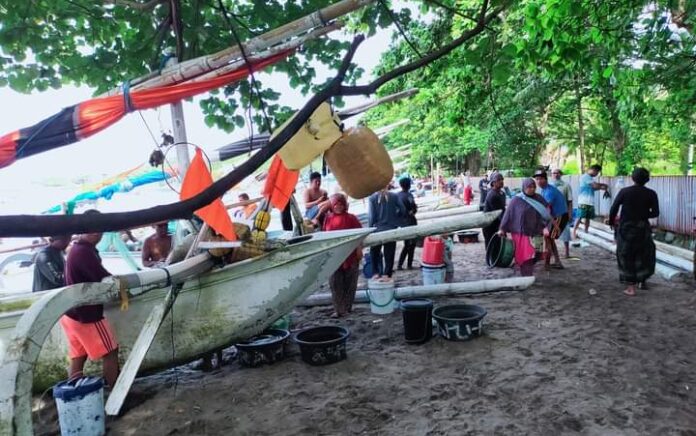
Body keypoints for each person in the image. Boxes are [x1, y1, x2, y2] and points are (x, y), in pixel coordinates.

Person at [60, 209, 119, 387]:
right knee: (111, 351)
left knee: (78, 355)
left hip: (70, 313)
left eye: (99, 228)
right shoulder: (84, 252)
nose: (98, 233)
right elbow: (104, 279)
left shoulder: (77, 249)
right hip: (86, 314)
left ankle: (73, 392)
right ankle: (116, 394)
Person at [609, 168, 659, 296]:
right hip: (643, 228)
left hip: (626, 227)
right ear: (647, 179)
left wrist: (611, 222)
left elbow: (614, 208)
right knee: (644, 254)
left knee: (625, 254)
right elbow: (655, 213)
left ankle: (630, 287)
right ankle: (642, 281)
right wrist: (643, 213)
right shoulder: (651, 193)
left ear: (632, 178)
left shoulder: (625, 192)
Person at [498, 179, 551, 276]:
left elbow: (546, 214)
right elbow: (508, 214)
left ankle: (527, 271)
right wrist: (502, 228)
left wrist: (545, 227)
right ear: (524, 187)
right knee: (526, 256)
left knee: (536, 255)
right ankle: (526, 275)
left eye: (534, 187)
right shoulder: (516, 200)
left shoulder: (539, 199)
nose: (532, 189)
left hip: (537, 232)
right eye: (529, 187)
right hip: (521, 233)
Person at [323, 194, 363, 317]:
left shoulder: (352, 218)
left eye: (341, 204)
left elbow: (359, 235)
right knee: (335, 283)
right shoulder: (328, 219)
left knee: (350, 283)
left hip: (350, 255)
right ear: (332, 206)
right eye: (335, 204)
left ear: (345, 205)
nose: (338, 206)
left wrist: (359, 249)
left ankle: (347, 308)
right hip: (334, 256)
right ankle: (339, 309)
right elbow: (324, 237)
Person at [368, 186, 406, 280]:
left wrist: (370, 228)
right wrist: (396, 219)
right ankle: (387, 274)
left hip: (377, 229)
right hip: (391, 228)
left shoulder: (372, 198)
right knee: (389, 252)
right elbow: (403, 210)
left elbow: (372, 217)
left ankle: (375, 273)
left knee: (374, 252)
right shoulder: (394, 196)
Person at [534, 170, 569, 270]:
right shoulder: (544, 189)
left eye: (541, 178)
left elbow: (546, 209)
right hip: (556, 216)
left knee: (548, 239)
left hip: (559, 216)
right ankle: (557, 262)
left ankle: (547, 264)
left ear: (546, 179)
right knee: (550, 239)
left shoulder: (549, 192)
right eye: (537, 179)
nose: (538, 181)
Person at [573, 164, 609, 239]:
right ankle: (574, 232)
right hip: (584, 201)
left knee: (588, 217)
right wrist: (603, 185)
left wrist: (602, 187)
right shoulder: (586, 177)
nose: (597, 174)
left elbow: (594, 188)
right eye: (597, 172)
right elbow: (595, 186)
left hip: (590, 201)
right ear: (594, 170)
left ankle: (586, 232)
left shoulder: (590, 179)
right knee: (579, 216)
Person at [551, 168, 573, 258]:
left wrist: (570, 213)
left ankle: (567, 252)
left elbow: (570, 201)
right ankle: (552, 252)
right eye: (554, 173)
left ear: (561, 174)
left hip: (563, 212)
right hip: (552, 213)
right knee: (551, 233)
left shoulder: (566, 186)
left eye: (557, 173)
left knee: (566, 232)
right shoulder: (550, 186)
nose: (556, 174)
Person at [397, 177, 418, 270]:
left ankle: (400, 264)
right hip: (411, 221)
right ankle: (409, 264)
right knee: (411, 244)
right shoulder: (409, 195)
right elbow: (414, 208)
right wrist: (413, 211)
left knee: (406, 244)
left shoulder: (397, 196)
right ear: (409, 185)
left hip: (403, 223)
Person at [482, 172, 506, 248]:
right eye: (498, 180)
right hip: (490, 225)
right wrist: (504, 226)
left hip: (496, 224)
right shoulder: (493, 195)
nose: (501, 181)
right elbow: (499, 213)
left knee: (498, 246)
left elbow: (503, 209)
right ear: (493, 183)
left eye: (502, 179)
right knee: (491, 247)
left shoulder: (501, 193)